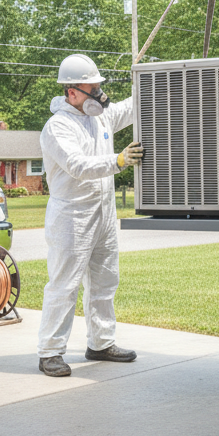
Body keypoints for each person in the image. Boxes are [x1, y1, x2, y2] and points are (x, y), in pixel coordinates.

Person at [36, 54, 145, 377]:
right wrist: (120, 160)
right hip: (72, 217)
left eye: (99, 87)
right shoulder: (58, 127)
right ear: (72, 92)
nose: (100, 95)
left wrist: (146, 79)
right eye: (92, 89)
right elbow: (78, 166)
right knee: (64, 285)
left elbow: (129, 108)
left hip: (103, 214)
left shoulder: (98, 118)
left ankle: (101, 343)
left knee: (105, 281)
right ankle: (50, 351)